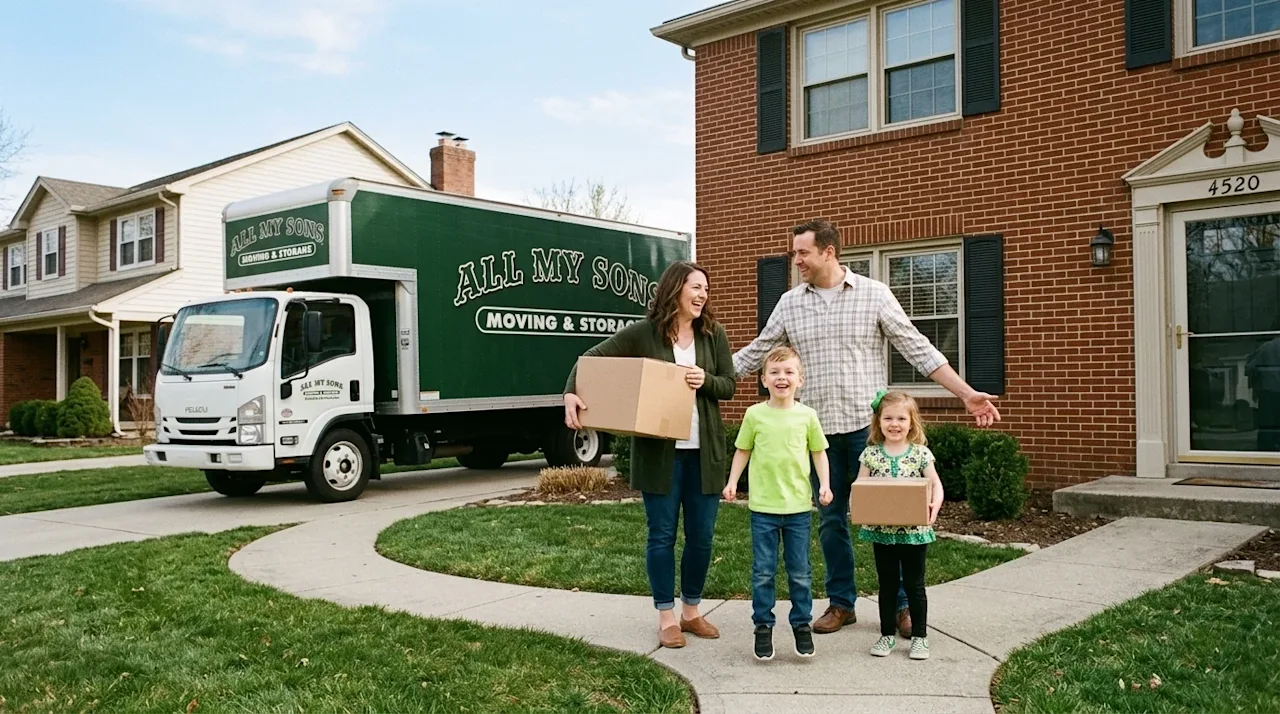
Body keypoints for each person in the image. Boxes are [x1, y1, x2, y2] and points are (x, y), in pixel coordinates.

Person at [733, 219, 999, 638]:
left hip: (868, 433)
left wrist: (966, 394)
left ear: (828, 252)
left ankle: (903, 607)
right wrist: (702, 377)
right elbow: (755, 354)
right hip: (818, 434)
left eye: (802, 252)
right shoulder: (789, 304)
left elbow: (918, 347)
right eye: (794, 253)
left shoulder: (874, 295)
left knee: (896, 520)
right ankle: (842, 603)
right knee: (831, 520)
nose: (796, 260)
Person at [563, 260, 736, 649]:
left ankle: (691, 611)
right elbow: (591, 358)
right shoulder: (645, 333)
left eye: (706, 289)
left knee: (702, 538)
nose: (702, 295)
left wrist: (704, 380)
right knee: (661, 536)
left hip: (704, 453)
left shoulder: (713, 334)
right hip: (661, 457)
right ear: (675, 289)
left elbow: (729, 385)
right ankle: (666, 617)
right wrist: (570, 391)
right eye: (695, 287)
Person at [724, 346, 833, 661]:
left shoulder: (807, 416)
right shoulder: (755, 414)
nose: (781, 378)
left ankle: (801, 624)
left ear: (801, 379)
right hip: (763, 510)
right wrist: (732, 483)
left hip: (798, 509)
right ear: (763, 379)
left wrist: (824, 485)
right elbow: (743, 450)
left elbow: (819, 453)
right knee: (763, 572)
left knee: (800, 572)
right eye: (774, 372)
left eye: (788, 372)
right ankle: (763, 626)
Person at [857, 390, 943, 660]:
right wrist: (858, 509)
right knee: (887, 585)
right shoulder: (870, 455)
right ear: (878, 422)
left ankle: (920, 637)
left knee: (915, 586)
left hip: (915, 533)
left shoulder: (920, 454)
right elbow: (860, 488)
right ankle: (886, 635)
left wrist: (934, 506)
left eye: (901, 418)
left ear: (911, 422)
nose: (894, 424)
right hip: (882, 533)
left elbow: (936, 485)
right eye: (888, 418)